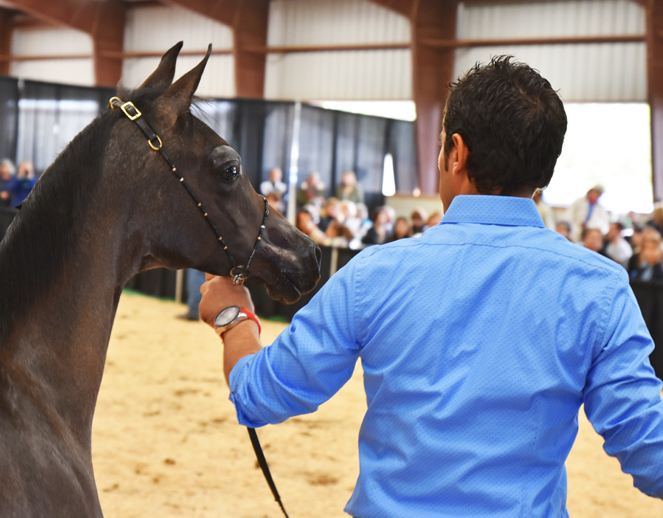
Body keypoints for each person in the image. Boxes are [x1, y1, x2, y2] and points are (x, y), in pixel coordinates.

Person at [198, 56, 663, 517]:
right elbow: (651, 454)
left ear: (456, 153)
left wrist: (232, 316)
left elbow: (259, 394)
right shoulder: (600, 289)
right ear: (544, 172)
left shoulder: (374, 273)